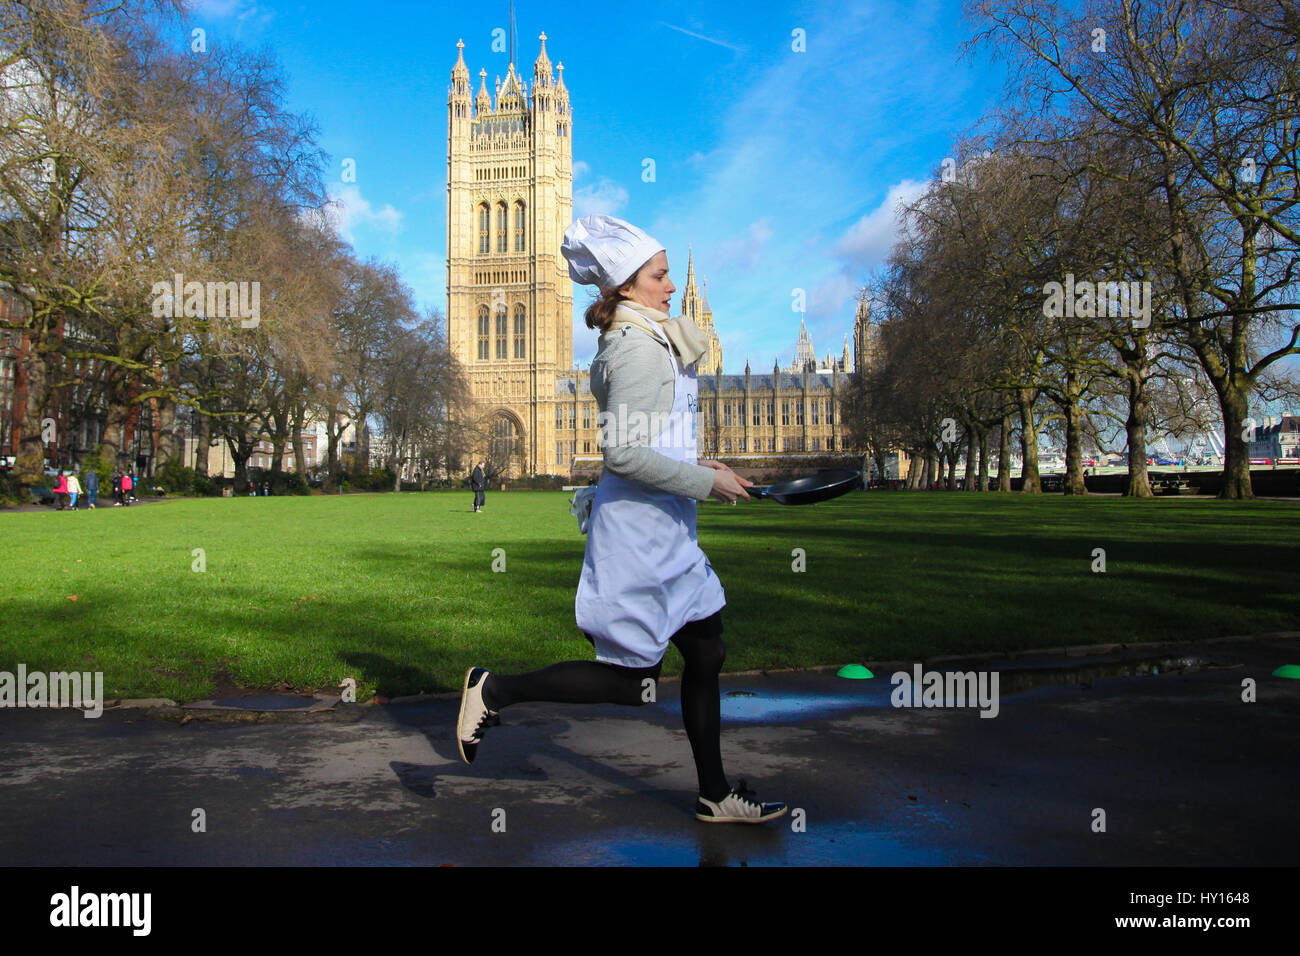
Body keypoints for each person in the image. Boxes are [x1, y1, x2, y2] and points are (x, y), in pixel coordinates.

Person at [457, 214, 786, 824]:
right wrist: (704, 482)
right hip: (639, 534)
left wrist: (697, 462)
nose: (671, 288)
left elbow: (653, 436)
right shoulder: (635, 348)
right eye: (661, 277)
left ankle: (715, 796)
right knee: (633, 683)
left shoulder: (652, 337)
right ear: (630, 285)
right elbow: (626, 454)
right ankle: (495, 689)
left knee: (707, 651)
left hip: (666, 525)